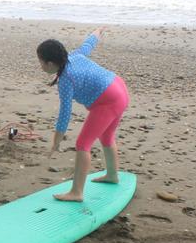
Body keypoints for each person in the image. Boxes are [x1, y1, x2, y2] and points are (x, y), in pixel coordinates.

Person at [38, 27, 129, 202]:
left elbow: (64, 115)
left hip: (109, 100)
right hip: (119, 89)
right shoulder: (74, 56)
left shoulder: (65, 80)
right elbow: (88, 44)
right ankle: (112, 175)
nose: (40, 66)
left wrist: (55, 143)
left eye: (41, 62)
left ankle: (77, 192)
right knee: (107, 137)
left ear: (50, 63)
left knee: (82, 144)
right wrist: (97, 32)